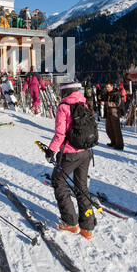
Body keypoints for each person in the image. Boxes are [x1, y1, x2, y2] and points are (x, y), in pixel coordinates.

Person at [45, 79, 96, 240]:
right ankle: (87, 228)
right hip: (86, 152)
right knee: (81, 187)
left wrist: (51, 150)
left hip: (70, 153)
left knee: (58, 181)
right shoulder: (84, 104)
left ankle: (70, 222)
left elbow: (60, 134)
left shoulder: (64, 107)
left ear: (65, 92)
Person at [103, 81, 124, 150]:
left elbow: (117, 103)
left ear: (112, 87)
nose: (107, 88)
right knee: (108, 128)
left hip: (114, 113)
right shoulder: (107, 93)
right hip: (108, 112)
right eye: (106, 87)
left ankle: (119, 144)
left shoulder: (117, 93)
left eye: (108, 87)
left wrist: (106, 103)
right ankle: (113, 142)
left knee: (116, 129)